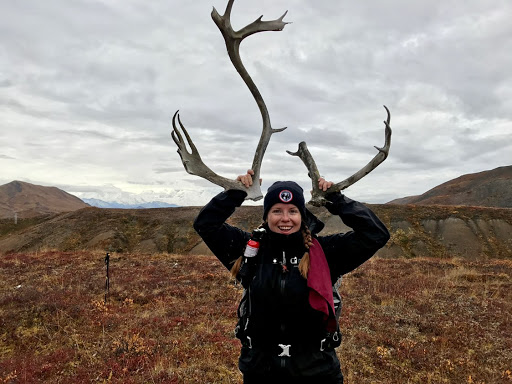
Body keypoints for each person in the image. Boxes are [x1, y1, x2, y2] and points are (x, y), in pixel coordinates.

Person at [193, 170, 390, 383]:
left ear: (302, 215)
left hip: (317, 372)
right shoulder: (249, 250)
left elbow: (376, 234)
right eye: (277, 211)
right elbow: (206, 224)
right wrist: (235, 193)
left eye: (293, 211)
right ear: (266, 216)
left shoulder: (325, 252)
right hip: (261, 372)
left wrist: (335, 199)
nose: (285, 218)